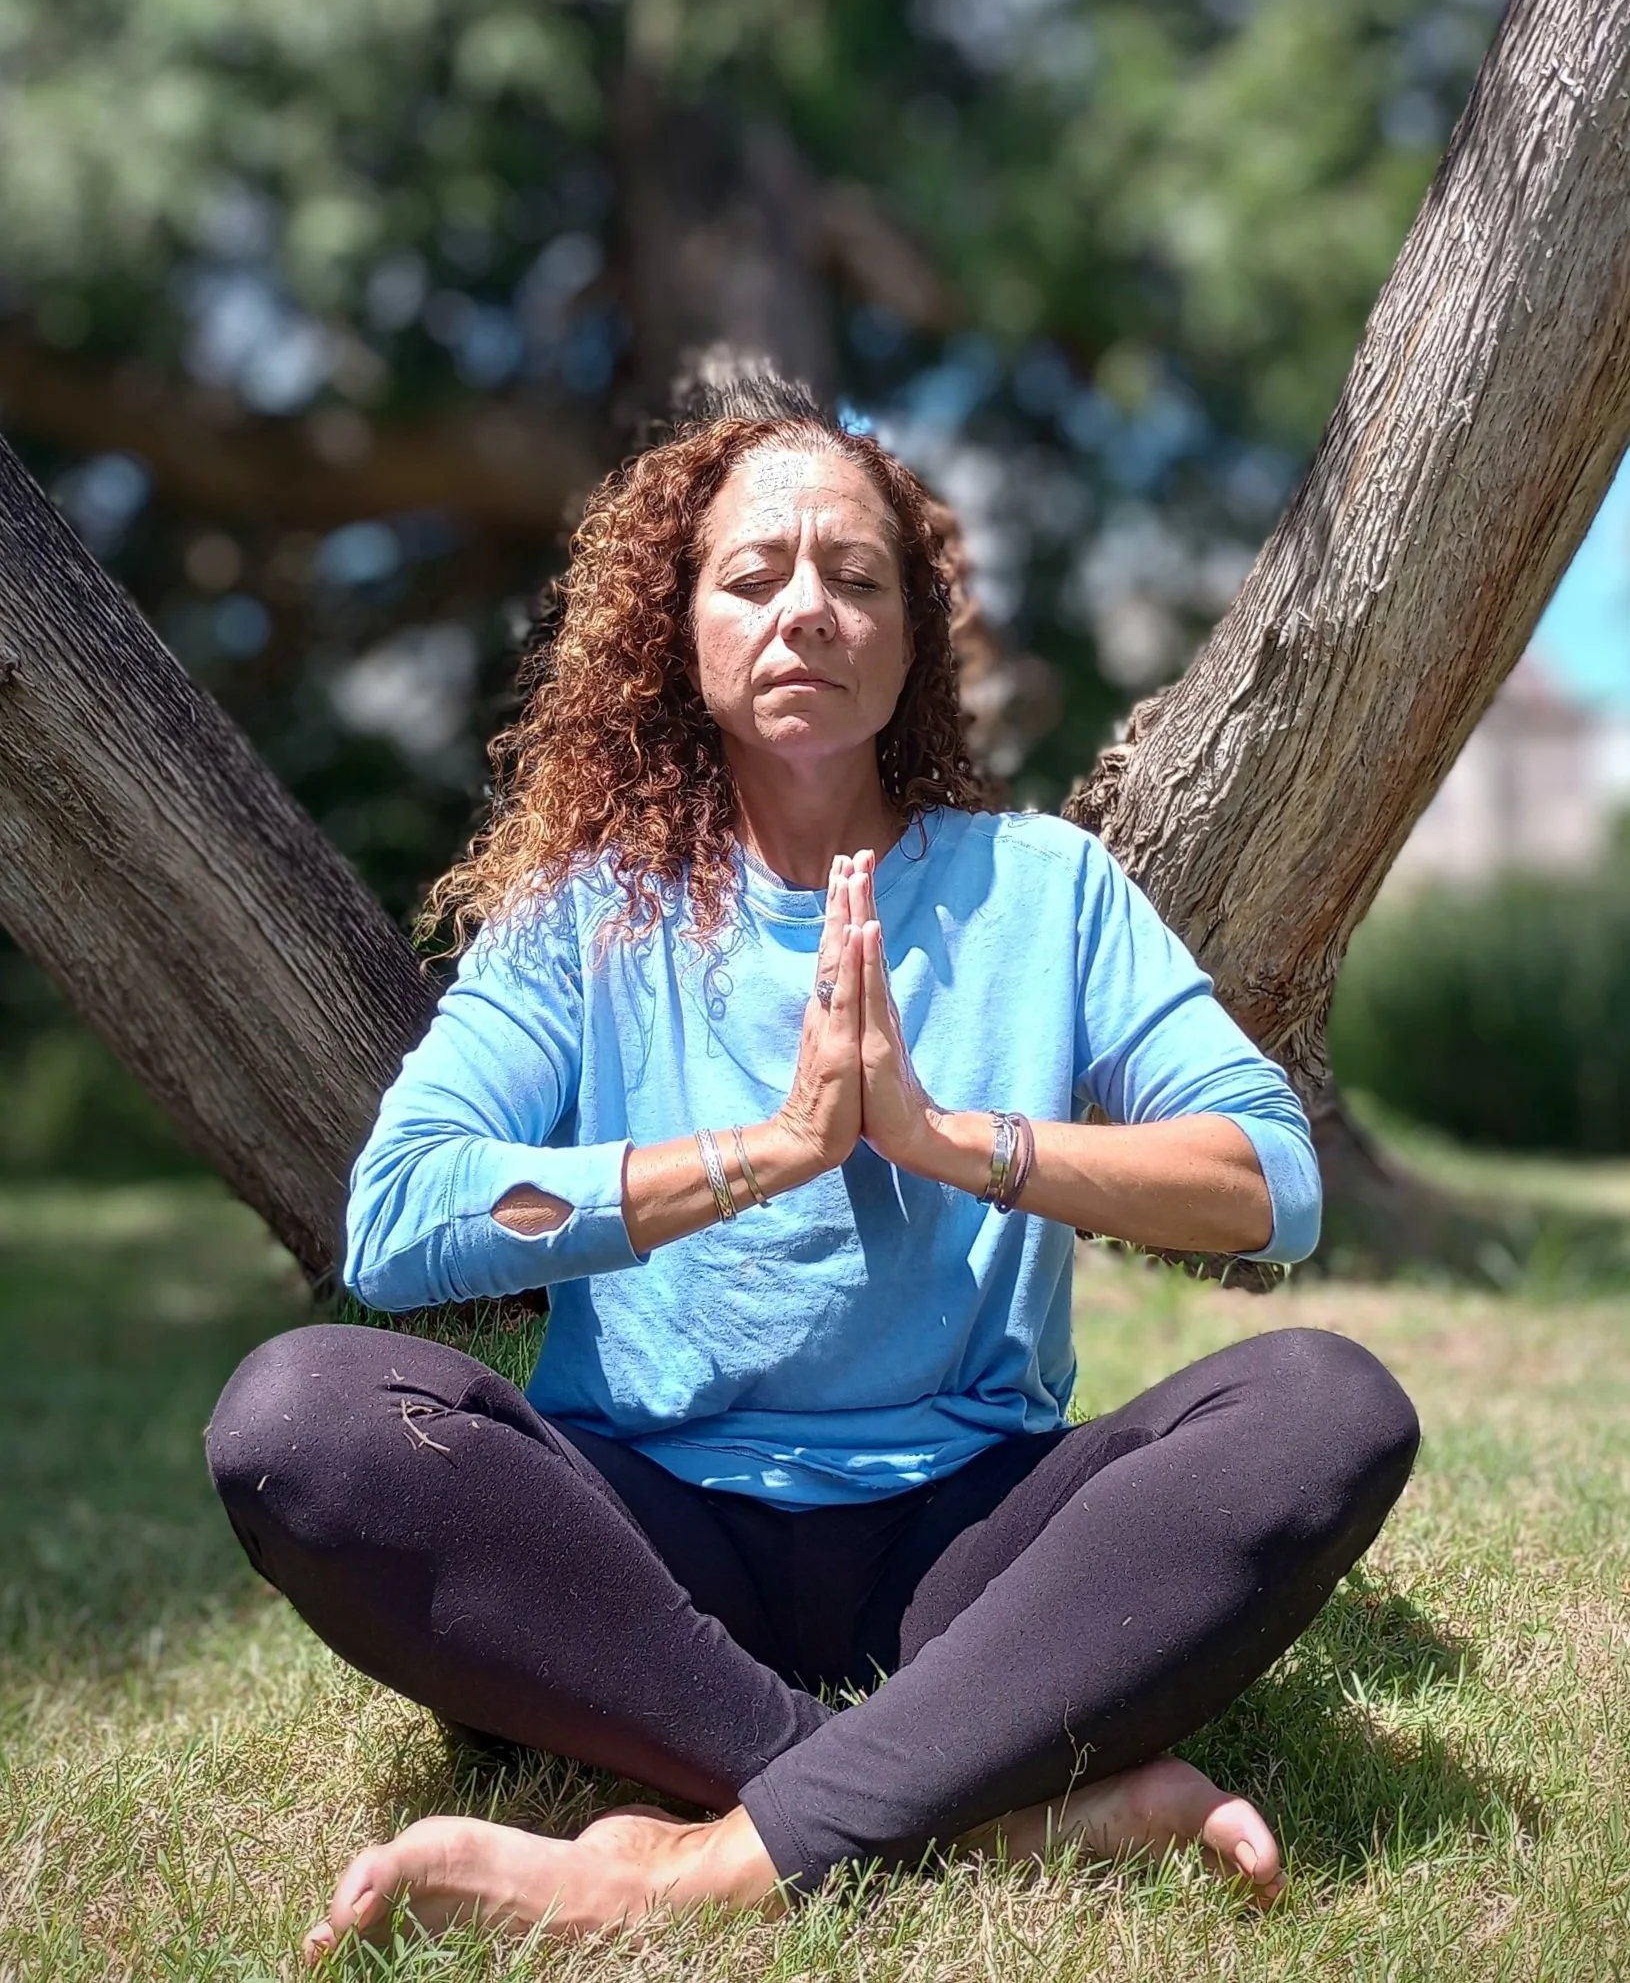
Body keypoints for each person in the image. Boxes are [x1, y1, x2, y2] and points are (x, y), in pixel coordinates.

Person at [205, 381, 1420, 1965]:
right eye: (752, 575)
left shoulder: (1043, 890)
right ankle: (960, 1795)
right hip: (641, 1545)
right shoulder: (586, 915)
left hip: (968, 1549)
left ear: (912, 641)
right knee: (298, 1421)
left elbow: (1270, 1181)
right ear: (682, 631)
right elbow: (398, 1217)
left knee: (1324, 1406)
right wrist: (765, 1153)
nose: (805, 610)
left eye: (854, 577)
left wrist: (949, 1141)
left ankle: (684, 1864)